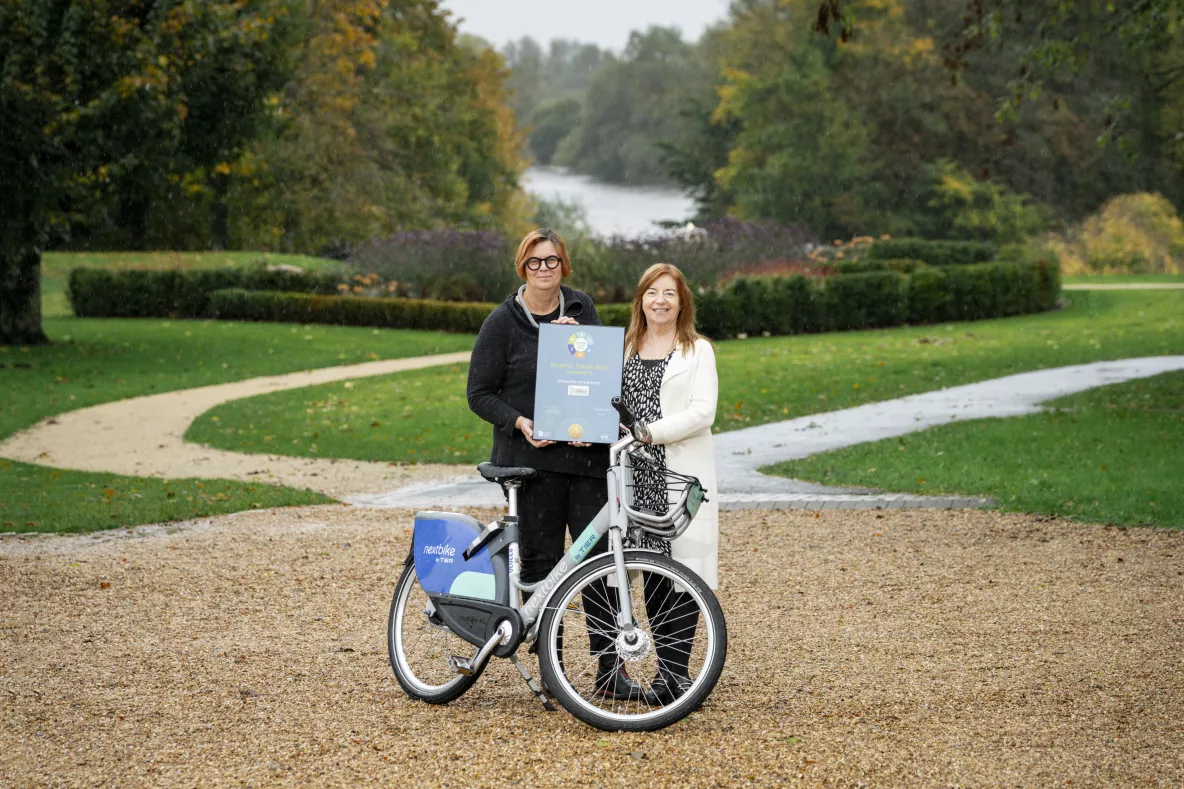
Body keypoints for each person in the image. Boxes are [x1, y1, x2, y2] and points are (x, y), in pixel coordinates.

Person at [466, 228, 645, 700]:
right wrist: (521, 422)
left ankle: (611, 673)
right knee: (543, 567)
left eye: (551, 261)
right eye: (534, 262)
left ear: (564, 264)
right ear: (522, 267)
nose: (543, 269)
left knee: (599, 565)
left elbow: (599, 373)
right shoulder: (502, 323)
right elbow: (479, 394)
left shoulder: (582, 307)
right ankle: (552, 670)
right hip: (532, 464)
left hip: (585, 460)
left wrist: (579, 341)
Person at [620, 262, 719, 704]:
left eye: (670, 294)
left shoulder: (698, 351)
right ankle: (668, 671)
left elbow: (703, 412)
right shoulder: (623, 347)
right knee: (651, 576)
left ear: (683, 302)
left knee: (682, 576)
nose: (660, 301)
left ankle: (673, 675)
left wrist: (649, 433)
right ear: (641, 298)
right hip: (633, 476)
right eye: (652, 292)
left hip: (677, 473)